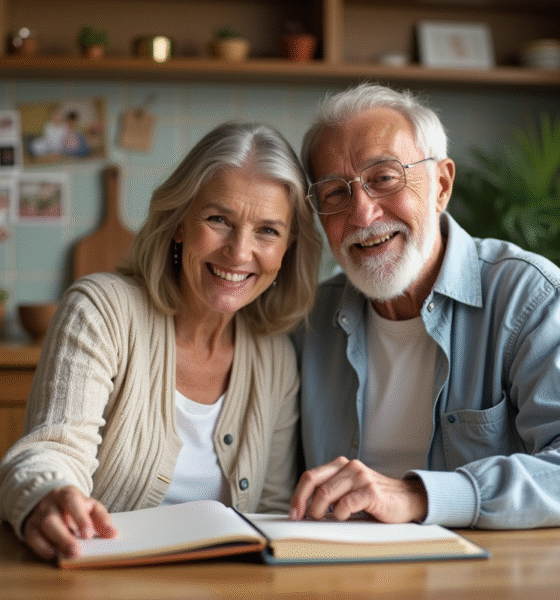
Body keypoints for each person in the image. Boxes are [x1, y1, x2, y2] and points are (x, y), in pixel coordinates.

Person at [0, 121, 321, 560]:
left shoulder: (276, 358)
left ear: (287, 249)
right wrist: (49, 493)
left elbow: (271, 512)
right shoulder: (101, 311)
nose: (239, 252)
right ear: (179, 224)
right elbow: (52, 449)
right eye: (218, 220)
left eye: (267, 230)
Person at [290, 83, 560, 530]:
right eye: (335, 193)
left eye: (384, 178)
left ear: (441, 185)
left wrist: (419, 495)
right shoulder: (309, 321)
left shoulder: (528, 299)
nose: (361, 213)